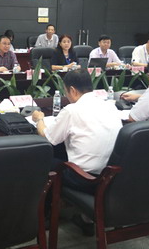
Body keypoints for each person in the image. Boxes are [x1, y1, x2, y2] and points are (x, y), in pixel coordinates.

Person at [32, 69, 122, 236]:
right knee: (64, 152)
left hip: (85, 179)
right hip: (111, 176)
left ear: (72, 90)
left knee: (45, 161)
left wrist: (39, 119)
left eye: (66, 92)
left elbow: (48, 137)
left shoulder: (72, 110)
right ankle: (84, 218)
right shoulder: (109, 106)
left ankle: (46, 216)